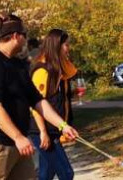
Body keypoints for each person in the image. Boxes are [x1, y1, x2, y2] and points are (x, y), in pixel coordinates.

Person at [0, 14, 79, 180]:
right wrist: (18, 137)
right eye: (24, 35)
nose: (26, 39)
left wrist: (63, 125)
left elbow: (37, 101)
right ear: (16, 36)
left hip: (20, 146)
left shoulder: (18, 65)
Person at [29, 29, 77, 180]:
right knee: (66, 173)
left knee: (45, 175)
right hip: (42, 131)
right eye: (66, 45)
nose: (68, 48)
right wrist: (43, 131)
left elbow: (56, 99)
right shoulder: (42, 70)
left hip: (54, 129)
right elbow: (35, 103)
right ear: (56, 45)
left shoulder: (59, 69)